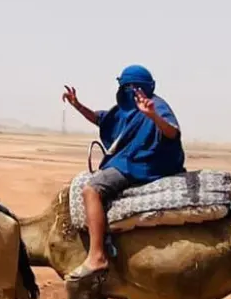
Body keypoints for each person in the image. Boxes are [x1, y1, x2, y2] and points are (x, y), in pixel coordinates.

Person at [61, 66, 184, 278]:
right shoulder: (126, 110)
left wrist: (153, 115)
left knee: (91, 190)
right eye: (125, 87)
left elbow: (172, 131)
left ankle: (97, 256)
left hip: (143, 163)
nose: (126, 91)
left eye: (129, 87)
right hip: (132, 160)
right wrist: (77, 105)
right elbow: (102, 119)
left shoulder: (156, 105)